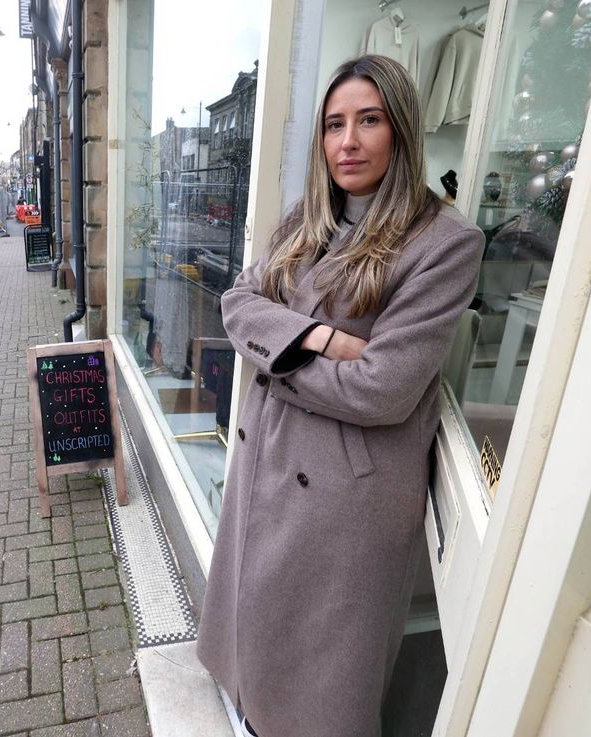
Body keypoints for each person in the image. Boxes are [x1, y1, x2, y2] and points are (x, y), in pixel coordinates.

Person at [195, 55, 484, 737]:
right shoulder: (309, 218)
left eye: (368, 120)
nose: (347, 142)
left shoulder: (444, 242)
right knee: (257, 623)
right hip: (270, 454)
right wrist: (320, 338)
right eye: (334, 124)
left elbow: (383, 388)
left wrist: (274, 353)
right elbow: (237, 301)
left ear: (401, 129)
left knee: (324, 669)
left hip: (344, 488)